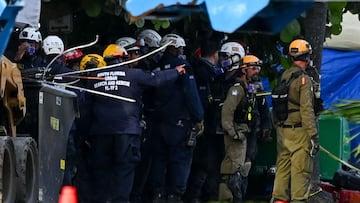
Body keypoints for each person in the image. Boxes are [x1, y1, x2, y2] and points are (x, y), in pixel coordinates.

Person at [78, 43, 186, 203]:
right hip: (126, 133)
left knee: (101, 172)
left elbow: (86, 109)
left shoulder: (95, 79)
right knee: (124, 170)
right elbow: (156, 79)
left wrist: (85, 134)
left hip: (100, 134)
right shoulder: (133, 74)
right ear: (122, 58)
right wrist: (175, 72)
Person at [148, 33, 204, 203]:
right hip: (179, 123)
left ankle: (157, 194)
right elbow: (190, 93)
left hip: (158, 122)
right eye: (180, 48)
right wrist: (198, 116)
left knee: (159, 160)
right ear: (175, 48)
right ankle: (175, 196)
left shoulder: (156, 68)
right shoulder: (182, 66)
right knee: (180, 161)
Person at [271, 39, 318, 203]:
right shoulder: (303, 79)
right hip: (299, 133)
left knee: (282, 172)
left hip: (283, 131)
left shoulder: (284, 75)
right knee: (300, 173)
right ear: (306, 56)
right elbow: (306, 110)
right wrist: (313, 135)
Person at [218, 54, 264, 203]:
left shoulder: (249, 88)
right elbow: (227, 111)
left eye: (258, 68)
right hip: (237, 134)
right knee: (231, 171)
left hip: (244, 133)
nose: (256, 71)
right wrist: (232, 132)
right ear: (244, 70)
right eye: (253, 68)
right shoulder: (237, 89)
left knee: (242, 171)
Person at [185, 39, 223, 203]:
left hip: (195, 123)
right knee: (204, 164)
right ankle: (196, 196)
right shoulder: (207, 74)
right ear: (215, 55)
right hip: (205, 125)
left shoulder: (194, 69)